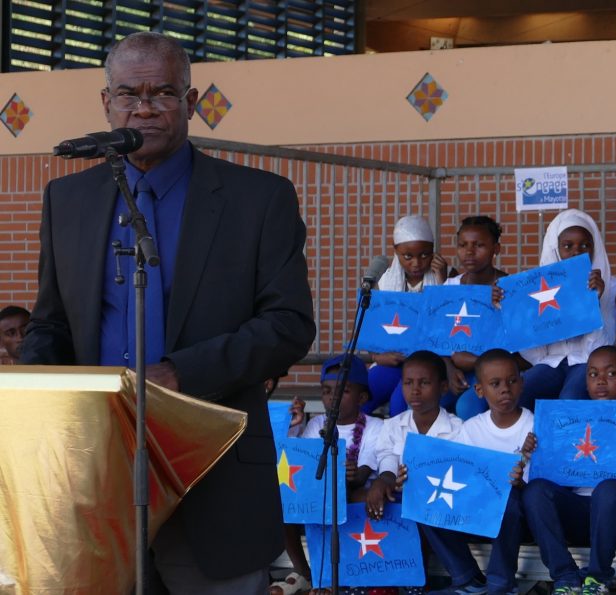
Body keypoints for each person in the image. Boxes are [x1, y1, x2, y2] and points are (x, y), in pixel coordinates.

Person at [19, 32, 315, 594]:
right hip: (95, 477)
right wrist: (33, 398)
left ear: (191, 100)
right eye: (128, 93)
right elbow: (51, 324)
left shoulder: (258, 198)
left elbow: (288, 324)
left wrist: (179, 375)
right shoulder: (67, 199)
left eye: (163, 93)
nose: (145, 108)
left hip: (213, 479)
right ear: (106, 103)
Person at [522, 345, 616, 595]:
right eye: (592, 374)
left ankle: (597, 578)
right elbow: (546, 476)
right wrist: (534, 452)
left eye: (611, 374)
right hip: (578, 512)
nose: (601, 381)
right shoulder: (567, 424)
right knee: (535, 490)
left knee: (608, 488)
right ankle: (565, 577)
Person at [421, 348, 532, 595]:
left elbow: (536, 489)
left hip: (516, 518)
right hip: (477, 512)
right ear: (480, 391)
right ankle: (467, 578)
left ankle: (501, 584)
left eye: (512, 381)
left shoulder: (534, 426)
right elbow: (459, 474)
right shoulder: (471, 429)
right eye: (495, 384)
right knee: (426, 496)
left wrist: (519, 481)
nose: (505, 389)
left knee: (508, 497)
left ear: (522, 384)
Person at [272, 355, 383, 595]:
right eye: (326, 391)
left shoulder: (375, 426)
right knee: (285, 502)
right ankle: (305, 573)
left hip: (354, 496)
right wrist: (294, 426)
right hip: (321, 494)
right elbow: (306, 469)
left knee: (358, 498)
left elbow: (360, 477)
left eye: (343, 391)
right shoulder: (316, 425)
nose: (332, 397)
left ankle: (349, 575)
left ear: (362, 398)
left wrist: (347, 474)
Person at [366, 350, 462, 595]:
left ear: (443, 387)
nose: (415, 390)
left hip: (441, 506)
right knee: (376, 498)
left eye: (424, 383)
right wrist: (386, 478)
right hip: (403, 498)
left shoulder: (457, 429)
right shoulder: (393, 425)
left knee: (417, 504)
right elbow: (387, 457)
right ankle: (382, 578)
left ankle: (415, 581)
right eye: (408, 383)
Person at [518, 209, 616, 411]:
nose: (576, 252)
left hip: (587, 361)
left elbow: (603, 346)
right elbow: (532, 351)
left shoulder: (610, 285)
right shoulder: (537, 288)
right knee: (519, 392)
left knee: (570, 397)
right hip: (550, 362)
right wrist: (511, 312)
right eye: (567, 246)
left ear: (594, 247)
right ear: (555, 249)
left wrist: (594, 302)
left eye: (585, 245)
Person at [367, 215, 447, 416]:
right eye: (408, 256)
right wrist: (378, 356)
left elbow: (447, 324)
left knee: (400, 404)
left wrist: (443, 281)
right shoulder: (385, 282)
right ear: (396, 252)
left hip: (426, 363)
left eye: (424, 255)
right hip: (393, 360)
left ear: (433, 252)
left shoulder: (445, 277)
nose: (416, 263)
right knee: (360, 397)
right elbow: (374, 330)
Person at [446, 216, 509, 420]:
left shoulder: (508, 289)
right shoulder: (450, 287)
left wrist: (477, 362)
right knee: (424, 399)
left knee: (467, 407)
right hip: (455, 370)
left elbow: (520, 349)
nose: (469, 252)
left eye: (479, 245)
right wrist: (448, 368)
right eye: (463, 245)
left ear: (496, 249)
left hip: (494, 372)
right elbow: (435, 338)